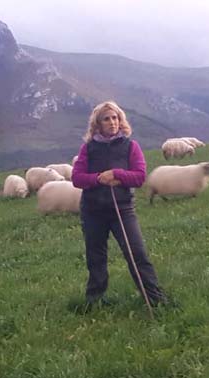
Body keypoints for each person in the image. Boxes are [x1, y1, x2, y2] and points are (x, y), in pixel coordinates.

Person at [70, 101, 169, 309]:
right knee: (95, 256)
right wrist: (99, 179)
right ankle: (94, 301)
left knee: (137, 253)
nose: (112, 122)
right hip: (93, 210)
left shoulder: (131, 146)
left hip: (123, 209)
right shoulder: (88, 148)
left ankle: (155, 299)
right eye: (106, 119)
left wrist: (117, 174)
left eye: (115, 118)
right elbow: (77, 178)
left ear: (121, 120)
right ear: (98, 124)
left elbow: (139, 177)